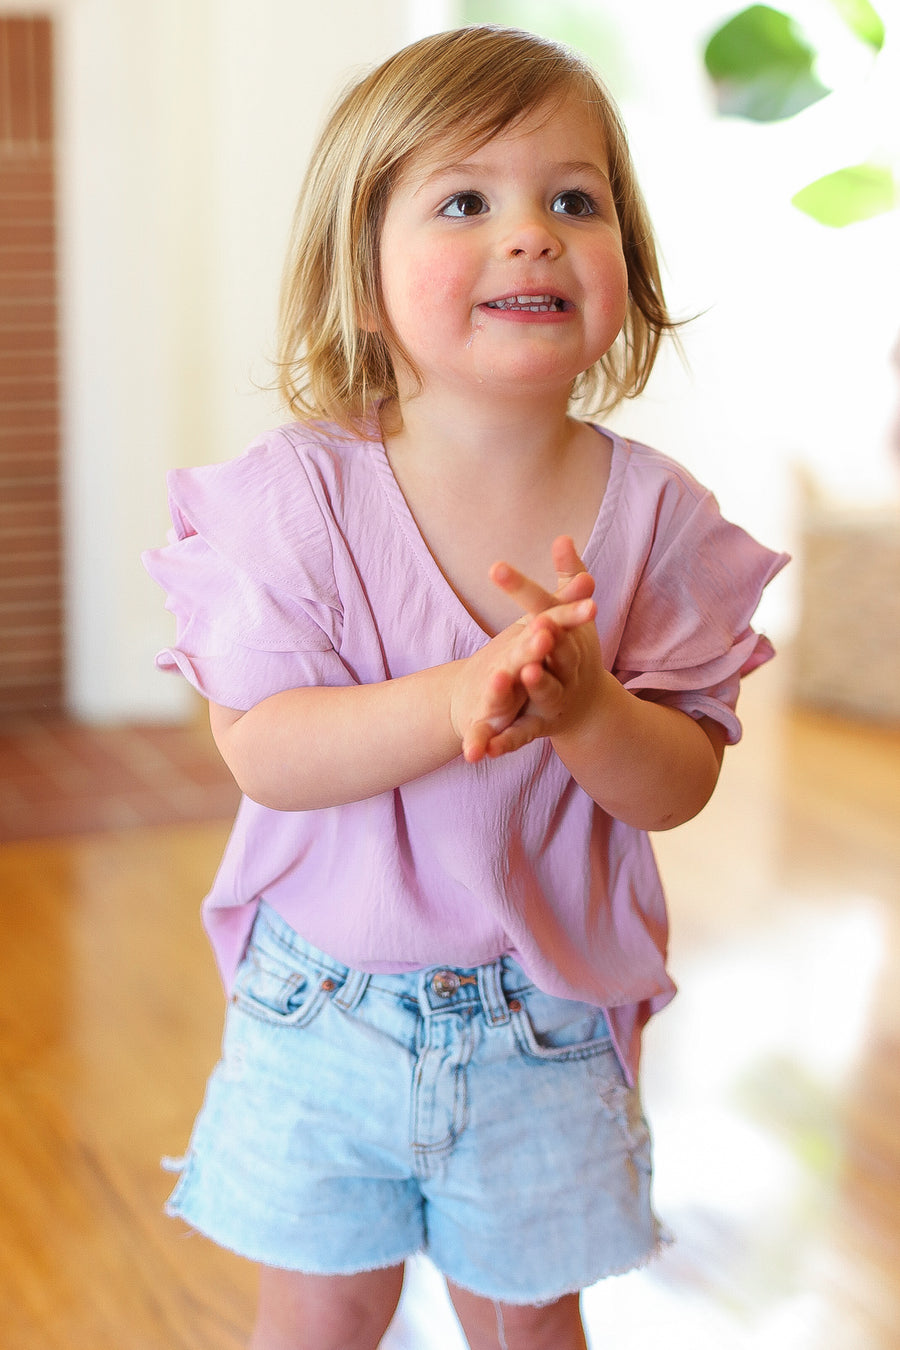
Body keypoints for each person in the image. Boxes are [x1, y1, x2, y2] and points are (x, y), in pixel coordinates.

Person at [144, 25, 788, 1350]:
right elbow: (265, 748)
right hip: (325, 1009)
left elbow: (685, 779)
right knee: (314, 1326)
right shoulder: (302, 498)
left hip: (542, 1021)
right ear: (363, 278)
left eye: (573, 198)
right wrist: (456, 697)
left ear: (627, 263)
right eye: (465, 200)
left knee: (534, 1327)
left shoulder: (659, 520)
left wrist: (594, 712)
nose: (532, 234)